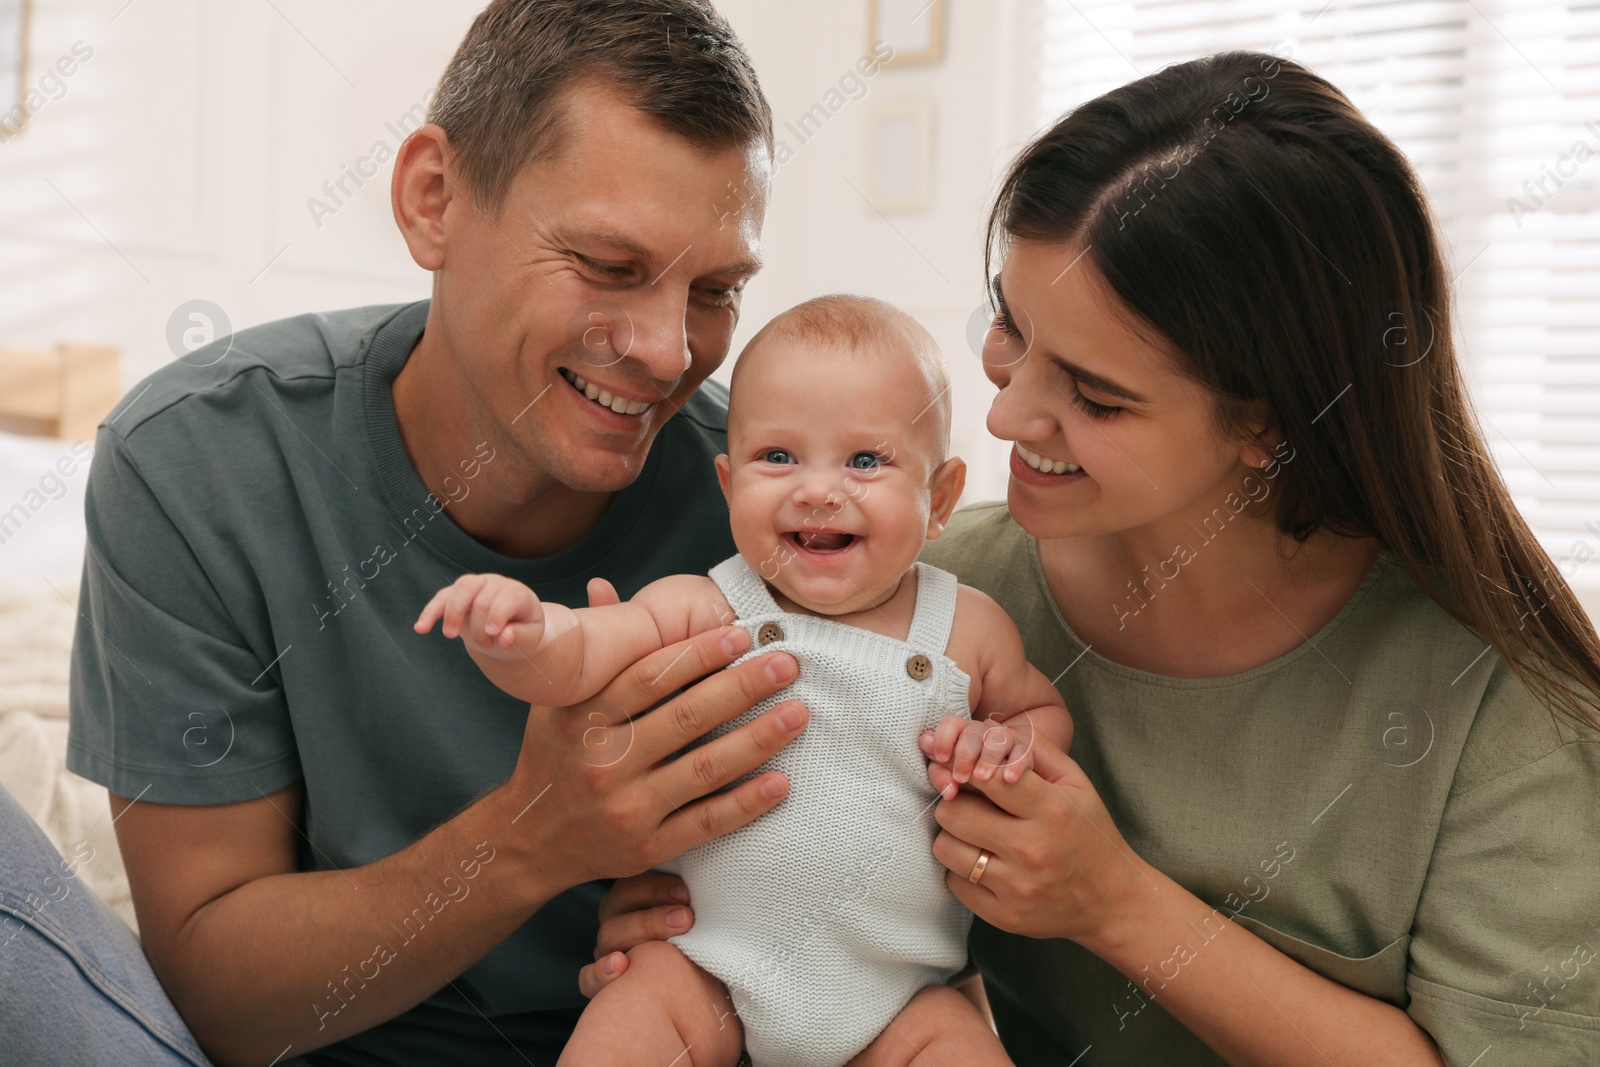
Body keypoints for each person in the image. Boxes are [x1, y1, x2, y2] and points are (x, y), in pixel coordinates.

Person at [587, 51, 1600, 1066]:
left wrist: (1117, 904)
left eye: (1095, 393)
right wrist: (708, 934)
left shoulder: (1501, 712)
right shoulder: (930, 600)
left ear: (1265, 422)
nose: (1005, 411)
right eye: (1010, 326)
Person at [57, 2, 822, 1064]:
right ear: (434, 200)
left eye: (715, 290)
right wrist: (533, 836)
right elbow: (216, 998)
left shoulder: (778, 511)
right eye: (606, 263)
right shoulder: (198, 461)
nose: (661, 350)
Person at [417, 295, 1071, 1066]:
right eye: (778, 457)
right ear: (728, 485)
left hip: (903, 997)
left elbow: (1040, 711)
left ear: (941, 499)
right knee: (628, 1026)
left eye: (865, 460)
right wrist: (520, 631)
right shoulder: (708, 604)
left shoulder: (966, 626)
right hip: (705, 970)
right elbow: (583, 652)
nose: (818, 489)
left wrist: (1005, 742)